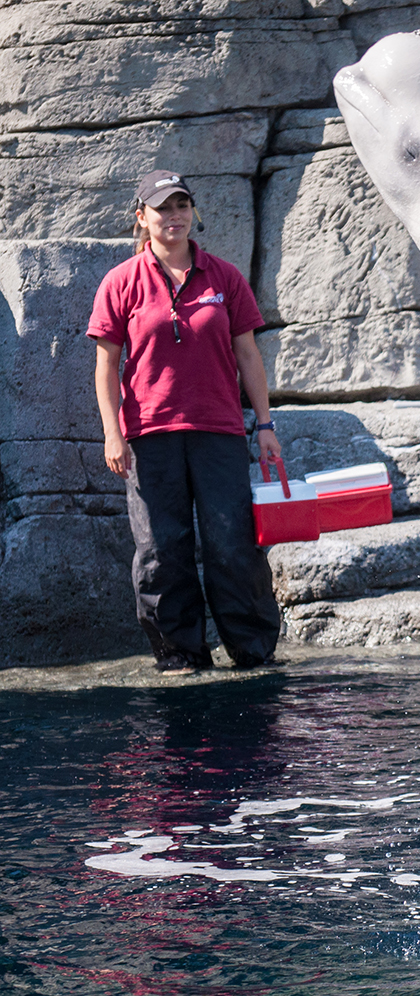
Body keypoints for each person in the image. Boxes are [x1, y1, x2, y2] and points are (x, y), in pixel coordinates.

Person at [89, 170, 282, 674]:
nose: (173, 216)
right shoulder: (121, 282)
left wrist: (264, 425)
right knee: (160, 551)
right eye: (162, 208)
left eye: (181, 206)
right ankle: (180, 658)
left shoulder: (224, 276)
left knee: (232, 546)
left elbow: (248, 353)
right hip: (149, 437)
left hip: (217, 431)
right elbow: (106, 365)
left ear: (193, 213)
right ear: (141, 218)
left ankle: (253, 653)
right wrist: (113, 432)